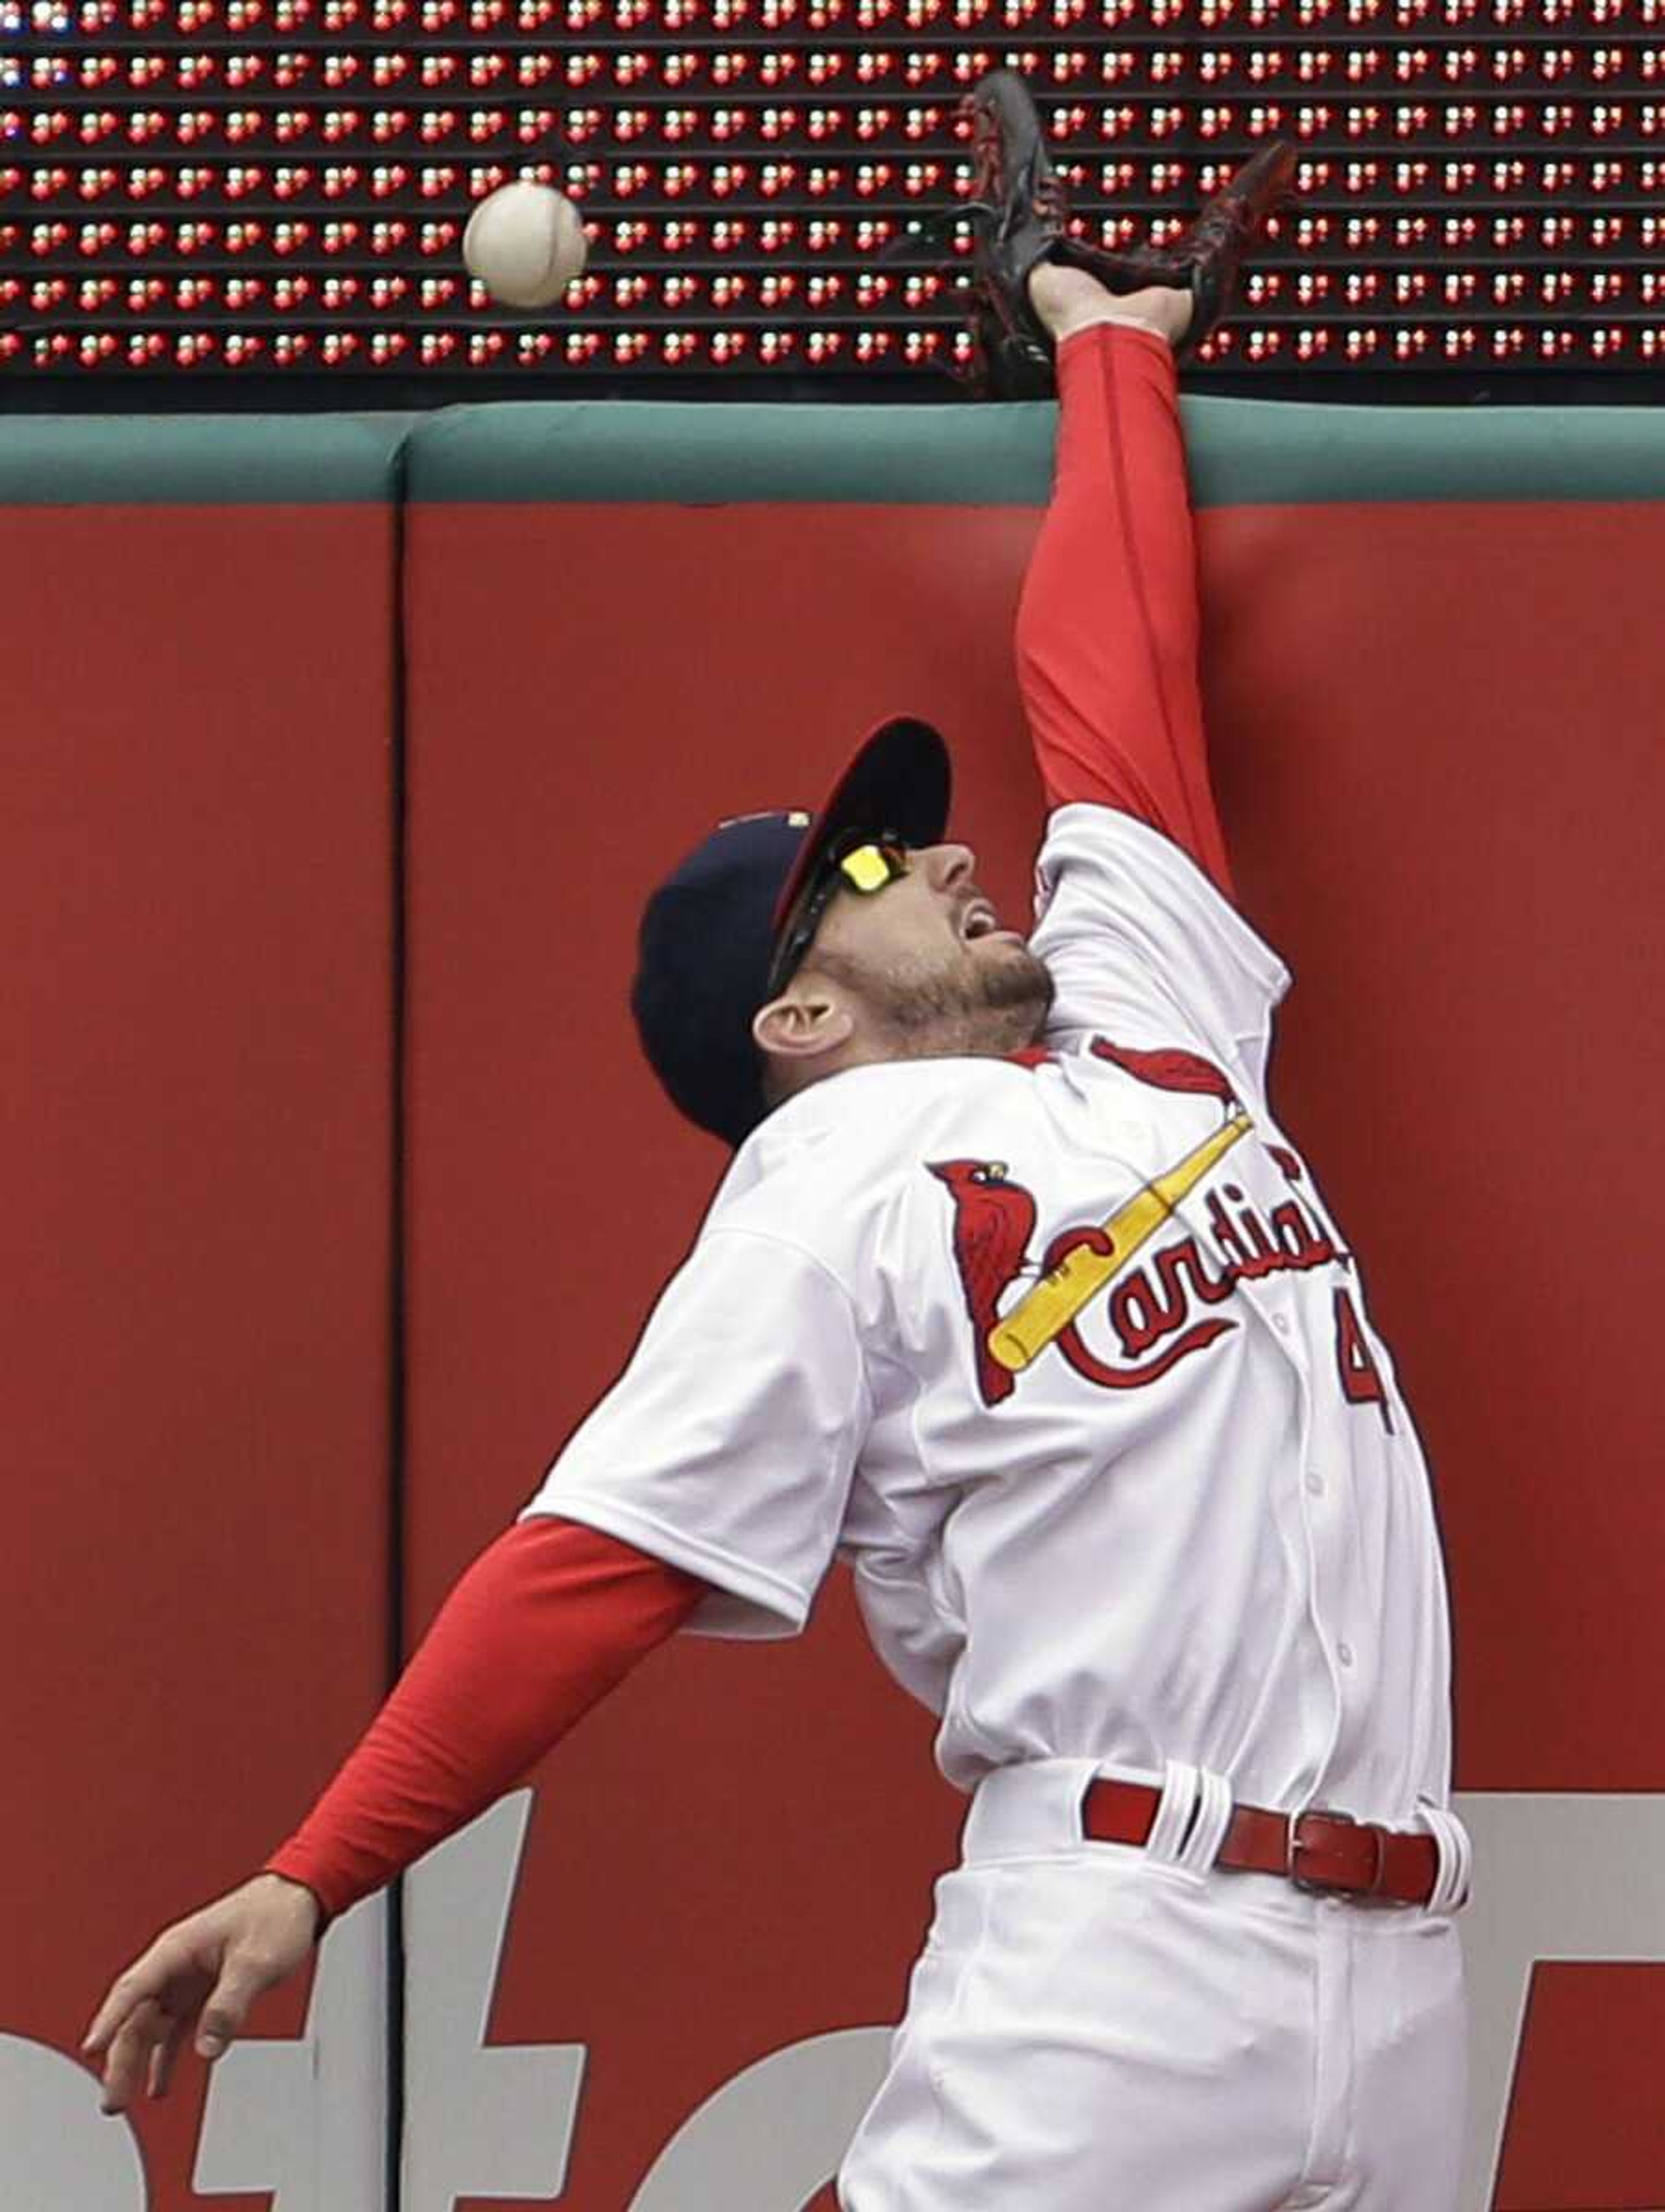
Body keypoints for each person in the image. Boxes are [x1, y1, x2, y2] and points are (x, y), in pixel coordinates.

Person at [84, 71, 1470, 2211]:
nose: (947, 857)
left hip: (1403, 1984)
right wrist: (311, 1876)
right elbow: (597, 1562)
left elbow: (1111, 684)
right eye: (879, 865)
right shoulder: (829, 1180)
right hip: (1126, 1945)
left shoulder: (1158, 1038)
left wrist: (1107, 349)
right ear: (800, 1010)